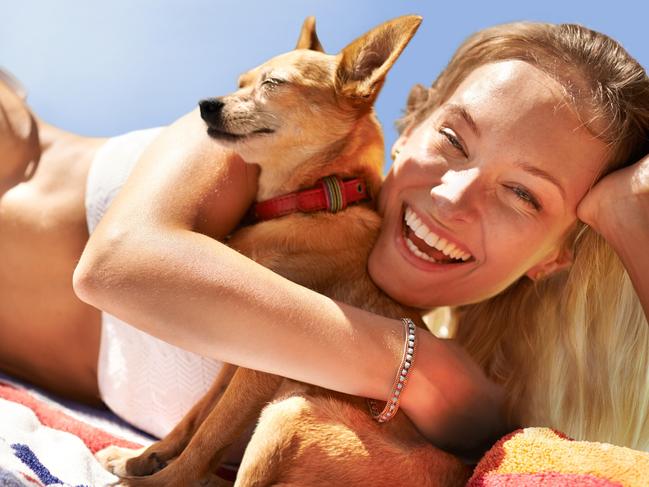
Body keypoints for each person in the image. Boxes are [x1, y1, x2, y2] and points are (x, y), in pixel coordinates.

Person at [1, 20, 648, 462]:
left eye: (523, 194)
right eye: (452, 139)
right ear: (407, 124)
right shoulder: (286, 158)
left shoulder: (476, 409)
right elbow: (118, 267)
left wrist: (631, 216)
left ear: (558, 252)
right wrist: (412, 362)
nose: (453, 197)